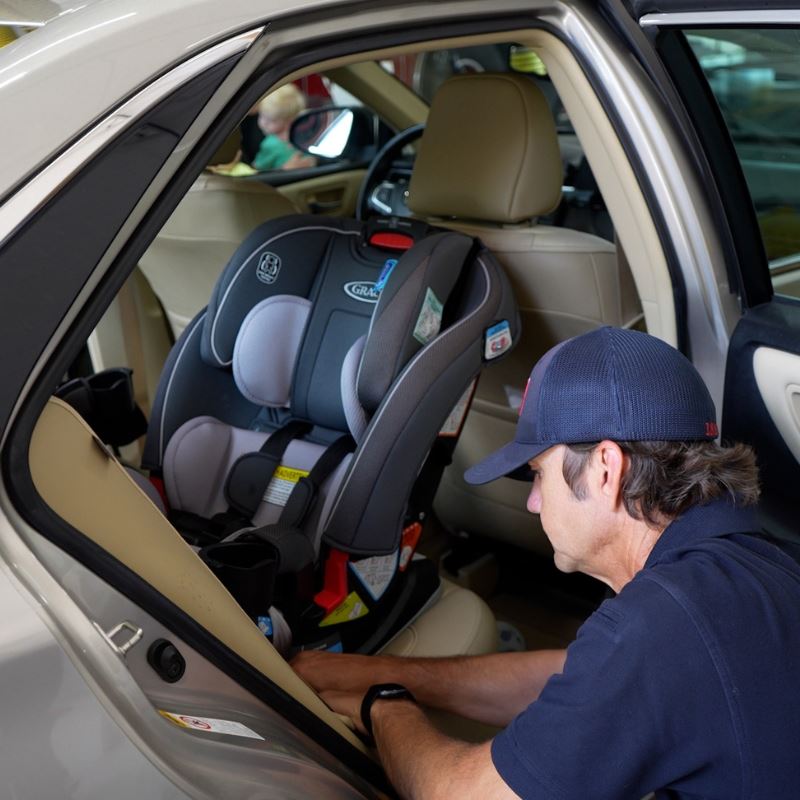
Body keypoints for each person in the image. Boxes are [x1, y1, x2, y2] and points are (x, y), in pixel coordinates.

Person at [292, 326, 800, 799]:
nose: (534, 502)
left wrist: (383, 704)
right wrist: (370, 670)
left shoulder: (662, 624)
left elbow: (466, 795)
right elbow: (580, 677)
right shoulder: (755, 561)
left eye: (538, 473)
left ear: (605, 470)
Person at [251, 83, 314, 172]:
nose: (263, 123)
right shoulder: (306, 134)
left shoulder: (270, 144)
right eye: (261, 115)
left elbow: (257, 170)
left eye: (271, 120)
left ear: (288, 121)